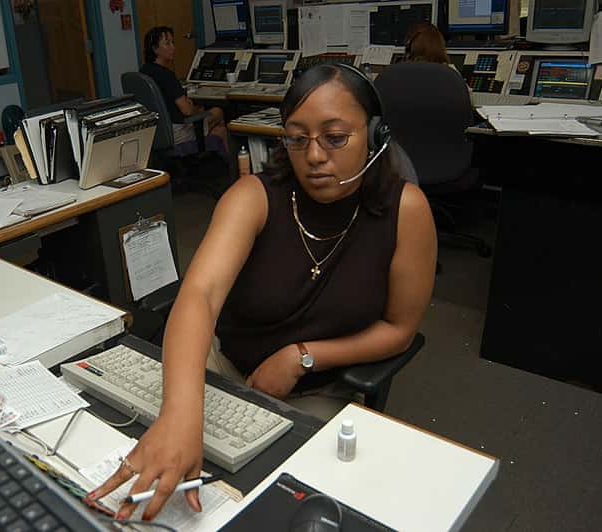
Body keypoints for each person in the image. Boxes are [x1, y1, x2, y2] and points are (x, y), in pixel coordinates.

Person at [88, 64, 437, 521]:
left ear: (374, 137)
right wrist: (180, 413)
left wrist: (303, 356)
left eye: (335, 138)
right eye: (297, 138)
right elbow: (201, 295)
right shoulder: (254, 195)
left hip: (316, 393)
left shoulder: (406, 211)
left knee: (273, 511)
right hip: (223, 370)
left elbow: (399, 329)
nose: (313, 156)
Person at [140, 26, 229, 155]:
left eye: (173, 43)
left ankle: (208, 160)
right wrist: (197, 109)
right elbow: (187, 110)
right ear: (155, 49)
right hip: (177, 132)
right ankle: (228, 169)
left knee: (213, 124)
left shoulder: (143, 71)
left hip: (154, 132)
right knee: (218, 115)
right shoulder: (167, 75)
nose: (173, 48)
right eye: (167, 43)